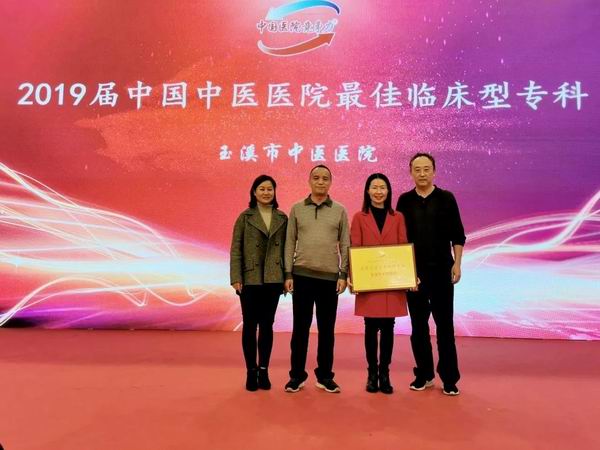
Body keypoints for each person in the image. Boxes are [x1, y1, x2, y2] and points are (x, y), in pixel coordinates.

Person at [396, 153, 466, 396]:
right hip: (414, 275)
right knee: (418, 327)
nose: (422, 173)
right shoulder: (404, 201)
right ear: (411, 172)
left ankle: (449, 378)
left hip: (442, 272)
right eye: (417, 169)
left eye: (426, 169)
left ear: (434, 171)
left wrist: (457, 264)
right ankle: (424, 374)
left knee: (445, 327)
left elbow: (458, 234)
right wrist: (406, 272)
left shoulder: (446, 198)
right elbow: (400, 240)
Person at [283, 165, 350, 394]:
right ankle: (296, 376)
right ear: (309, 181)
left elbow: (345, 243)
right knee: (300, 329)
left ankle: (325, 376)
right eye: (316, 178)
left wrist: (343, 274)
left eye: (325, 178)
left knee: (327, 330)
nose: (320, 182)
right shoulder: (297, 209)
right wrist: (288, 273)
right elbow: (289, 242)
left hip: (329, 279)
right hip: (301, 276)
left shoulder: (339, 210)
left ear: (330, 182)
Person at [349, 173, 411, 394]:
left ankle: (385, 374)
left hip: (391, 281)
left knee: (388, 327)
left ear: (388, 191)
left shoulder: (398, 217)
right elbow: (355, 248)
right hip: (369, 280)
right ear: (367, 191)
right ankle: (372, 373)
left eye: (382, 187)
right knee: (370, 327)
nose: (378, 191)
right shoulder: (359, 217)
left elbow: (403, 246)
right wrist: (354, 277)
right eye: (374, 187)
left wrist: (408, 275)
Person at [230, 175, 287, 391]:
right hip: (250, 278)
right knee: (249, 325)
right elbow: (236, 249)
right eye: (261, 189)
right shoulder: (245, 217)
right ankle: (250, 371)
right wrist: (236, 277)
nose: (266, 192)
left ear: (274, 192)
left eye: (269, 189)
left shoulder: (282, 217)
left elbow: (287, 249)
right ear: (254, 192)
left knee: (267, 325)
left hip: (274, 278)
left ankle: (264, 370)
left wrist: (286, 276)